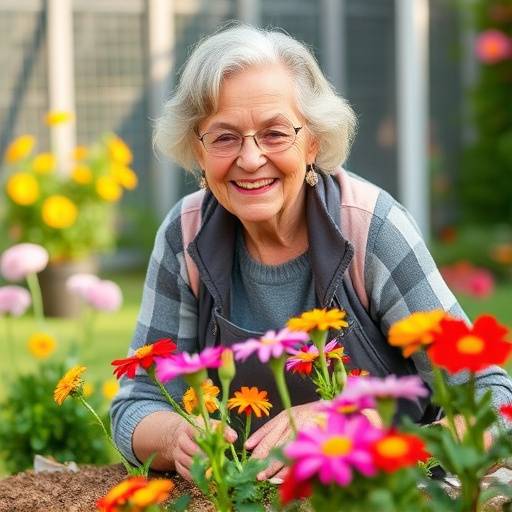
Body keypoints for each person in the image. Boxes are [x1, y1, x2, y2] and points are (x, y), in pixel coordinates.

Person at [111, 24, 512, 482]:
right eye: (224, 137)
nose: (249, 159)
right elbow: (136, 401)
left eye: (275, 133)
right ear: (197, 152)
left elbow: (497, 404)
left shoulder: (371, 229)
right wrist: (172, 437)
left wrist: (351, 433)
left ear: (314, 142)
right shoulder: (185, 234)